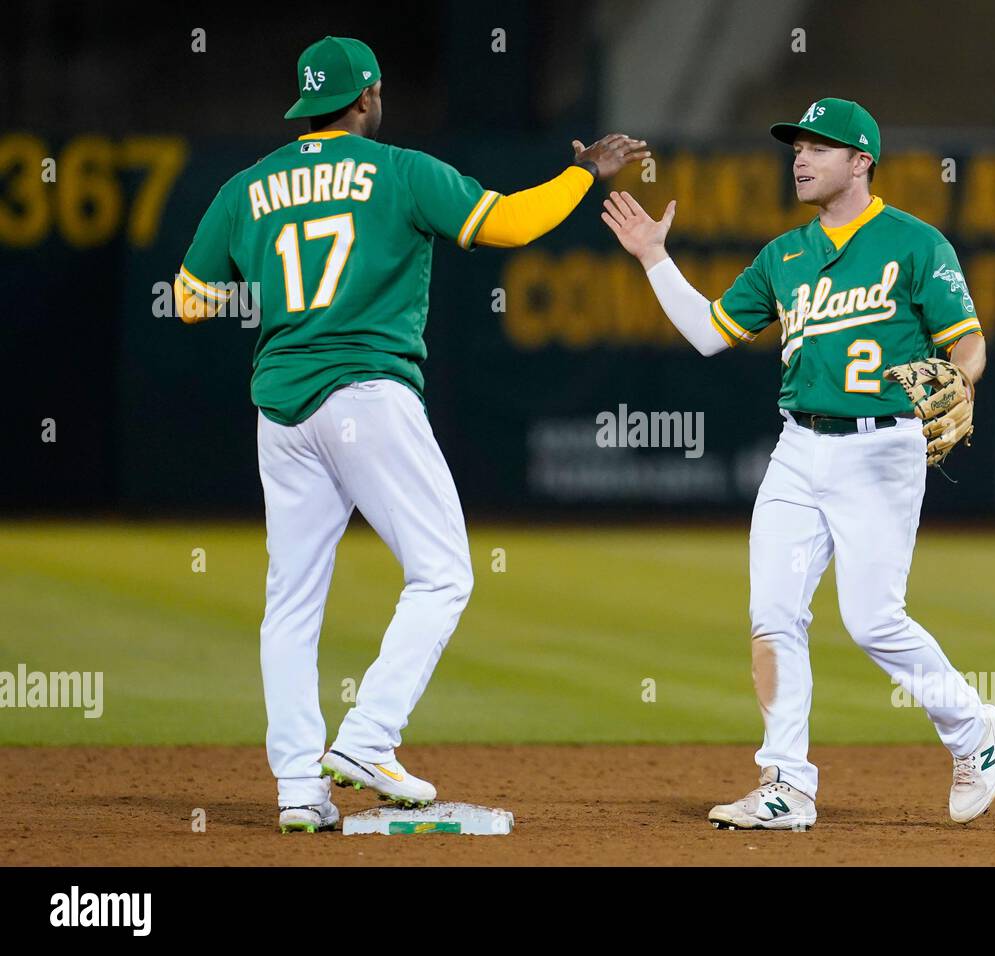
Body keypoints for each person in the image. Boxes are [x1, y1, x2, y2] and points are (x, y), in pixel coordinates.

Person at [175, 36, 648, 833]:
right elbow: (505, 224)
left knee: (290, 601)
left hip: (280, 410)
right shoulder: (398, 171)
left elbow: (190, 300)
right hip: (366, 394)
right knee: (441, 574)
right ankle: (367, 739)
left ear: (305, 104)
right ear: (367, 98)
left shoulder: (246, 187)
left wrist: (281, 296)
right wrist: (583, 173)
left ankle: (299, 788)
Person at [601, 97, 995, 829]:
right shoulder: (782, 257)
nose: (801, 157)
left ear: (861, 162)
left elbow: (967, 341)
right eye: (796, 148)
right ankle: (787, 783)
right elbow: (709, 333)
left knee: (873, 620)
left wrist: (962, 377)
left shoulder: (915, 245)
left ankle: (972, 726)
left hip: (883, 449)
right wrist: (654, 259)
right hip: (797, 449)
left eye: (819, 147)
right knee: (772, 616)